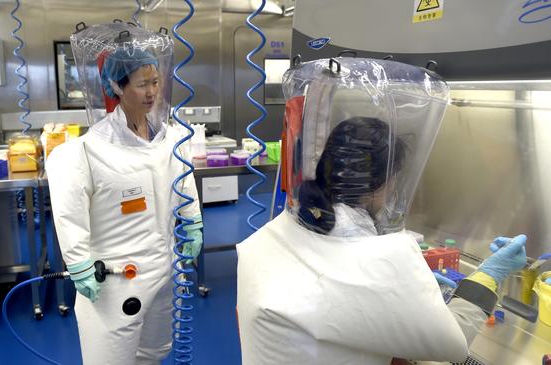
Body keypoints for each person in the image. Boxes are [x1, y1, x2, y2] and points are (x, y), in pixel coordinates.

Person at [237, 58, 528, 365]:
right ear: (383, 182)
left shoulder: (284, 228)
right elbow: (452, 343)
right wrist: (489, 275)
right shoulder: (377, 256)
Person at [47, 23, 202, 365]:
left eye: (155, 82)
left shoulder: (172, 140)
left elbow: (184, 184)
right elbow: (68, 212)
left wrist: (193, 223)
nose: (151, 92)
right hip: (115, 280)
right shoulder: (85, 151)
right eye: (142, 84)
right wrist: (78, 263)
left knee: (154, 352)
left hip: (164, 269)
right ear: (117, 86)